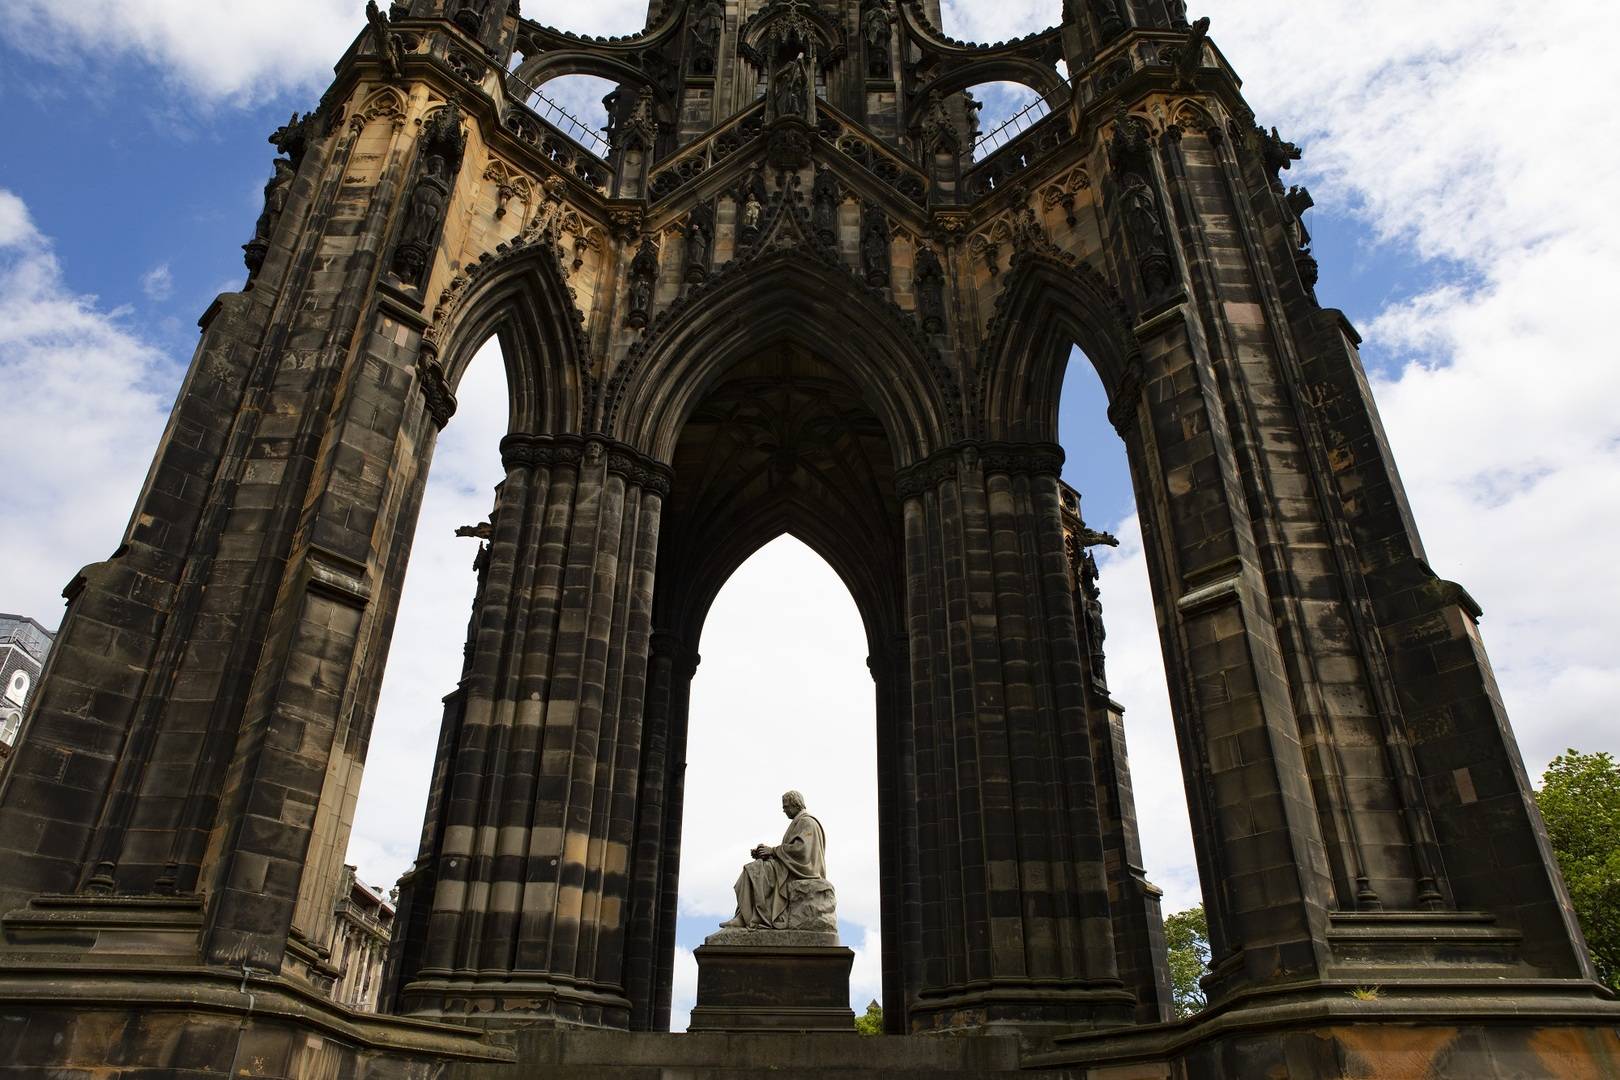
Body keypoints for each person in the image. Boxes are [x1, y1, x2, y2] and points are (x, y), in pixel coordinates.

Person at [719, 790, 827, 929]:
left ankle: (747, 917)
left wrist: (773, 851)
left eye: (786, 807)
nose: (784, 811)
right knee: (755, 868)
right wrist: (768, 854)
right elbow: (791, 850)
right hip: (792, 866)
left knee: (754, 870)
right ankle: (743, 915)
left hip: (802, 870)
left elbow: (802, 851)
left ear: (795, 804)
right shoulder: (799, 822)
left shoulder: (807, 822)